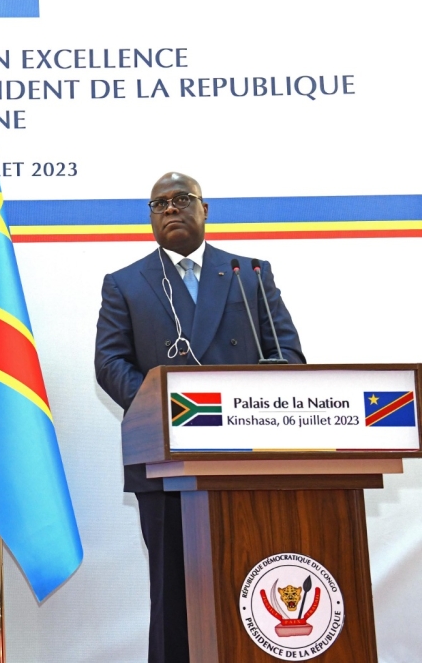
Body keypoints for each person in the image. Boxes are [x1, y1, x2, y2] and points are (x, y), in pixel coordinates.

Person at [94, 172, 304, 663]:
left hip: (251, 463)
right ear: (150, 217)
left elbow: (288, 354)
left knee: (255, 581)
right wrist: (164, 410)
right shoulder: (126, 283)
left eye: (182, 199)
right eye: (160, 203)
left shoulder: (248, 273)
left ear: (205, 210)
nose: (171, 209)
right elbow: (109, 364)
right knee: (174, 593)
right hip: (167, 462)